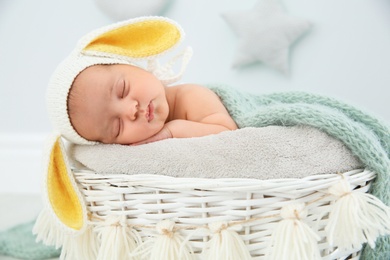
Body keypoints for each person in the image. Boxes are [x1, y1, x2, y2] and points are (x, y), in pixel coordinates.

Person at [67, 63, 238, 145]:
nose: (131, 110)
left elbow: (230, 136)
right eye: (117, 126)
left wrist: (172, 131)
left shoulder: (192, 96)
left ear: (134, 65)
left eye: (122, 90)